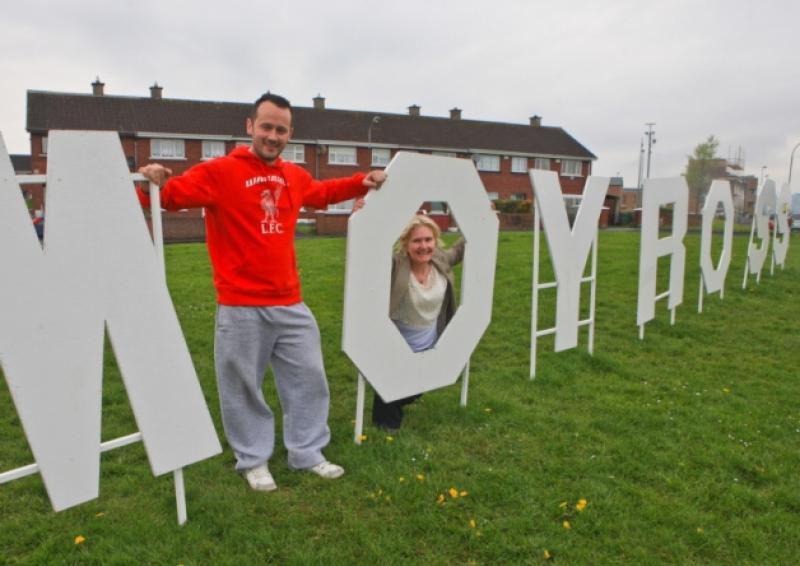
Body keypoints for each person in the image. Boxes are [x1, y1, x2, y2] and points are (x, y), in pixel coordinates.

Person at [137, 92, 386, 492]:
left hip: (290, 301)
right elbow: (167, 198)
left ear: (290, 134)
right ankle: (253, 460)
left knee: (309, 379)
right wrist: (150, 180)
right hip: (239, 305)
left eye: (281, 129)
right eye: (266, 126)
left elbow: (323, 193)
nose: (273, 136)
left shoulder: (293, 175)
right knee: (242, 387)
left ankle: (307, 453)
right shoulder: (218, 171)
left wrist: (362, 181)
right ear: (250, 126)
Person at [370, 212, 465, 431]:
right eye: (417, 241)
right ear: (405, 244)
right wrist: (362, 216)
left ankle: (391, 405)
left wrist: (482, 217)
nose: (423, 246)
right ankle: (385, 428)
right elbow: (369, 250)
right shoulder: (395, 265)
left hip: (429, 341)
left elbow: (460, 250)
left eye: (428, 239)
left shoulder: (440, 259)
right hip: (397, 341)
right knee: (392, 386)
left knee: (418, 385)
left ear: (436, 240)